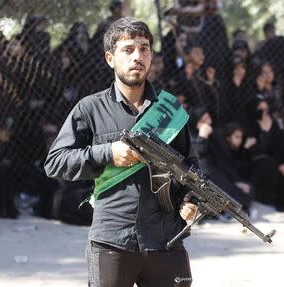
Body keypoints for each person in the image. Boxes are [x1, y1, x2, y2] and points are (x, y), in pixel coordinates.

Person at [44, 17, 197, 287]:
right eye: (128, 49)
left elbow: (191, 166)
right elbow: (56, 163)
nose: (138, 56)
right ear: (110, 58)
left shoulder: (170, 110)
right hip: (112, 241)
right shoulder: (89, 109)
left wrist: (190, 199)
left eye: (144, 48)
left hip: (166, 238)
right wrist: (107, 153)